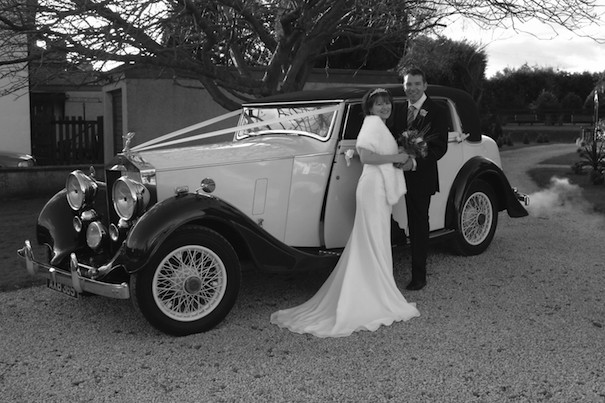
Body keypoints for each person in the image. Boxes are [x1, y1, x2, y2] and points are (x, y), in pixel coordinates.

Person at [270, 88, 420, 338]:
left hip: (378, 188)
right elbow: (368, 157)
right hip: (373, 189)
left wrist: (402, 157)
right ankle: (372, 294)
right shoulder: (371, 124)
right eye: (379, 104)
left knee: (375, 240)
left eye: (387, 103)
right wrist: (397, 155)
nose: (384, 107)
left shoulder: (379, 126)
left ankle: (374, 288)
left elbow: (372, 154)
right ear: (370, 108)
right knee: (371, 239)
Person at [397, 67, 449, 291]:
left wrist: (415, 162)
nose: (413, 88)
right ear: (404, 86)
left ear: (425, 85)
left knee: (418, 224)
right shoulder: (398, 109)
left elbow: (440, 147)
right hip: (395, 174)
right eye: (408, 84)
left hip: (421, 175)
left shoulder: (437, 110)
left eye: (417, 84)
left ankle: (419, 275)